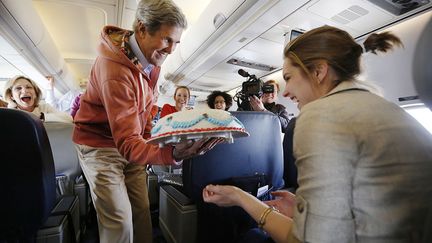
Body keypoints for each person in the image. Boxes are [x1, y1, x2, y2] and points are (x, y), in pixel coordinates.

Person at [202, 26, 432, 243]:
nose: (288, 91)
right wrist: (306, 206)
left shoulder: (320, 115)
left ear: (319, 71)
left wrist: (241, 198)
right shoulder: (383, 106)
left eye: (289, 77)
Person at [72, 1, 222, 242]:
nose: (171, 50)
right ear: (142, 29)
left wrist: (156, 135)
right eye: (166, 40)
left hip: (133, 140)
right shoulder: (115, 72)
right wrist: (171, 153)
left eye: (176, 42)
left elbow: (147, 107)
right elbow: (128, 143)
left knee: (141, 211)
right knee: (119, 218)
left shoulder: (151, 61)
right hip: (99, 146)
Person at [3, 75, 72, 123]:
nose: (24, 91)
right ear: (11, 96)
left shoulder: (45, 107)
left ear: (35, 93)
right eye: (18, 88)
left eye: (28, 87)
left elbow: (69, 119)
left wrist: (41, 116)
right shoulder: (9, 114)